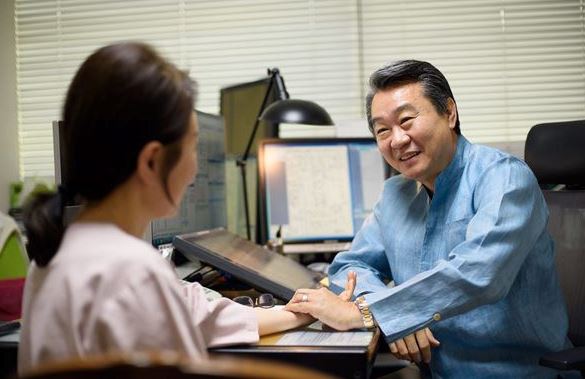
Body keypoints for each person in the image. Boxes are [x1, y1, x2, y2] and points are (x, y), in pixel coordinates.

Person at [18, 42, 356, 373]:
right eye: (192, 147)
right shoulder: (134, 271)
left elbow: (193, 311)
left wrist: (296, 312)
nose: (195, 169)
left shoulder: (55, 254)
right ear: (152, 161)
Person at [286, 60, 577, 378]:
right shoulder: (395, 193)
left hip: (516, 372)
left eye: (407, 120)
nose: (396, 140)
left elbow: (479, 273)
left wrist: (370, 313)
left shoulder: (504, 177)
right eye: (383, 130)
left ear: (449, 113)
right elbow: (349, 267)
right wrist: (397, 313)